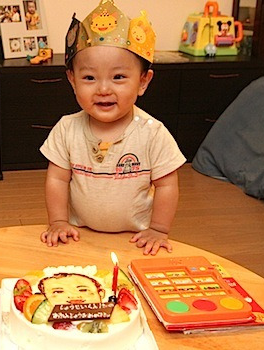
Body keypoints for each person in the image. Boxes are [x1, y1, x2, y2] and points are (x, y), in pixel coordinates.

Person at [40, 1, 186, 255]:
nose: (104, 89)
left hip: (136, 238)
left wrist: (159, 229)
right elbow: (57, 179)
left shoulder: (153, 132)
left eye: (118, 77)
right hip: (78, 236)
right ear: (72, 80)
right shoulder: (66, 129)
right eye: (89, 77)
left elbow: (166, 185)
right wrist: (58, 222)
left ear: (143, 81)